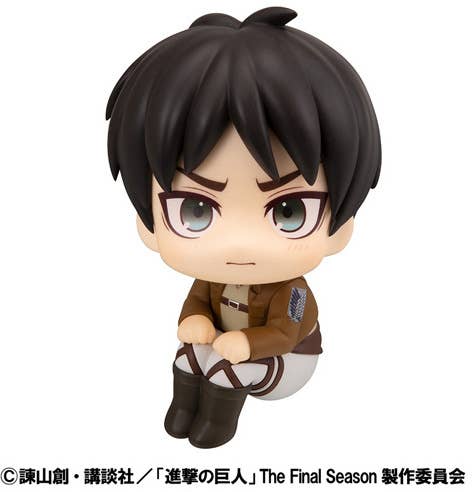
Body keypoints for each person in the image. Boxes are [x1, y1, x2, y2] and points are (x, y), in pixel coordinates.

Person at [105, 6, 381, 448]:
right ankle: (182, 412)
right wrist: (195, 319)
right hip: (227, 345)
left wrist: (249, 344)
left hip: (288, 361)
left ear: (340, 227)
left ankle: (217, 426)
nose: (239, 243)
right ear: (148, 224)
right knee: (189, 355)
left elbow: (287, 332)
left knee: (225, 367)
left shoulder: (291, 292)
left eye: (289, 211)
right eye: (195, 210)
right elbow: (197, 303)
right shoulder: (211, 279)